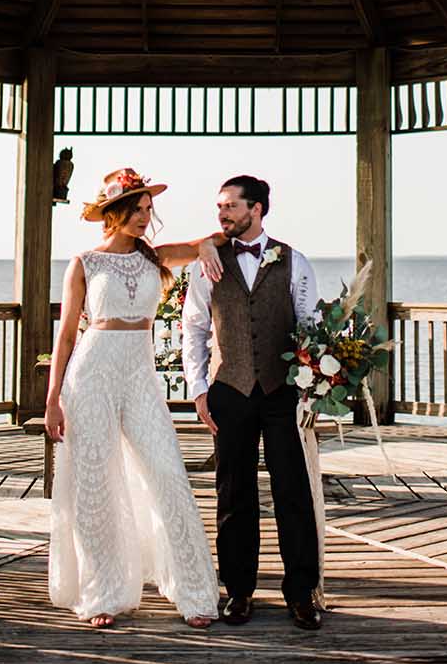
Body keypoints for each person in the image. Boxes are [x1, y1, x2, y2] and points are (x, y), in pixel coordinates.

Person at [46, 167, 223, 628]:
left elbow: (212, 241)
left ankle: (194, 592)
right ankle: (103, 592)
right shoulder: (84, 263)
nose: (146, 216)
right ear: (114, 212)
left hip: (140, 375)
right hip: (91, 374)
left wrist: (205, 245)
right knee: (95, 483)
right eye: (137, 208)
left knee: (166, 471)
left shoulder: (155, 258)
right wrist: (51, 401)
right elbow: (65, 336)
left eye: (148, 209)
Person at [181, 174, 323, 630]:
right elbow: (194, 330)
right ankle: (238, 592)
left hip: (283, 393)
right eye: (219, 207)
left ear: (256, 209)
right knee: (233, 496)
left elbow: (310, 325)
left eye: (229, 206)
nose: (221, 214)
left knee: (292, 495)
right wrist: (199, 389)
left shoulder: (294, 261)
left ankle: (302, 594)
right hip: (229, 390)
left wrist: (311, 386)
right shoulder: (207, 263)